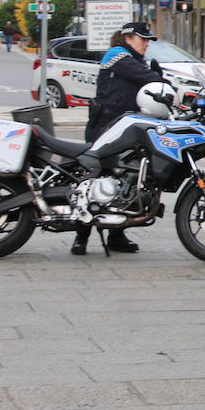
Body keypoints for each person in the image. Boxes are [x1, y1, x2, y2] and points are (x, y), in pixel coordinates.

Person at [75, 21, 165, 255]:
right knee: (94, 179)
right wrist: (159, 78)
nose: (146, 43)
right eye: (142, 39)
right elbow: (146, 78)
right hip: (105, 127)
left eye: (148, 40)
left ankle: (117, 235)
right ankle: (80, 237)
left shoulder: (132, 59)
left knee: (127, 180)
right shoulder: (118, 55)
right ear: (127, 38)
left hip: (124, 128)